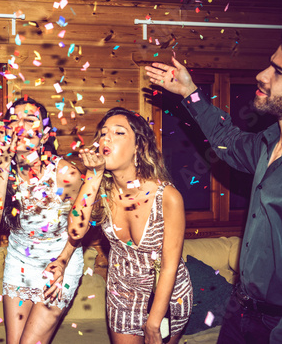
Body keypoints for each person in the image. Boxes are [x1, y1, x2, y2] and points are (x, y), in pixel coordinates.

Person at [145, 23, 282, 344]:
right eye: (270, 64)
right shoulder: (267, 144)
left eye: (278, 72)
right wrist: (190, 92)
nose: (263, 75)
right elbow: (227, 140)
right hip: (240, 311)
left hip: (279, 324)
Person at [69, 107, 193, 344]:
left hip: (167, 295)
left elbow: (169, 265)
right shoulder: (100, 192)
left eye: (118, 133)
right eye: (103, 133)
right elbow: (76, 231)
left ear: (139, 147)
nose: (106, 138)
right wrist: (93, 175)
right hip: (122, 293)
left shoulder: (167, 196)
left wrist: (154, 321)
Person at [0, 97, 84, 344]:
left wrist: (62, 261)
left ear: (45, 135)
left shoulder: (65, 174)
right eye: (14, 121)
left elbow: (81, 226)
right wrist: (3, 163)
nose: (21, 127)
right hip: (19, 262)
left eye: (29, 120)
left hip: (60, 263)